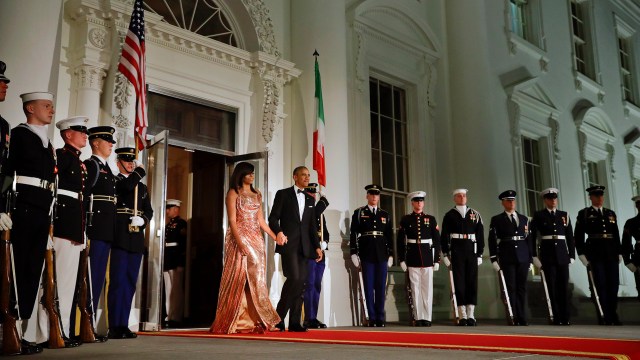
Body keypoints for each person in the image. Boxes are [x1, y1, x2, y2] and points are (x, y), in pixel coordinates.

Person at [2, 91, 57, 354]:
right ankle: (8, 328)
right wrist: (2, 206)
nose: (51, 110)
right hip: (22, 207)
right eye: (46, 106)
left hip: (41, 210)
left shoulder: (47, 141)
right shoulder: (20, 135)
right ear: (30, 108)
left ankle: (23, 331)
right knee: (17, 269)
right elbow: (5, 170)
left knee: (33, 272)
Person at [35, 117, 91, 347]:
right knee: (51, 282)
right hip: (62, 225)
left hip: (74, 226)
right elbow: (54, 191)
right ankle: (44, 333)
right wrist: (49, 224)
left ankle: (63, 331)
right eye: (81, 131)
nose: (85, 135)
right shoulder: (61, 156)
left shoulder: (78, 161)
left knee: (68, 284)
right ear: (68, 134)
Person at [210, 162, 280, 334]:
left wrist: (275, 237)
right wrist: (240, 243)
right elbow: (232, 221)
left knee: (258, 280)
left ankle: (260, 320)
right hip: (239, 237)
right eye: (249, 173)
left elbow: (261, 221)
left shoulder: (257, 194)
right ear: (241, 174)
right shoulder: (233, 193)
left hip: (256, 238)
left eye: (253, 173)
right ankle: (234, 320)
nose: (252, 176)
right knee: (238, 278)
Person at [268, 166, 323, 332]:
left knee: (302, 283)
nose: (307, 178)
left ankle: (294, 323)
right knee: (295, 279)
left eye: (308, 175)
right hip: (288, 244)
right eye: (303, 175)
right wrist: (278, 233)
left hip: (306, 246)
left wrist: (317, 247)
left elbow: (312, 226)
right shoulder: (283, 194)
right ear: (295, 177)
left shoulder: (310, 199)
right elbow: (273, 218)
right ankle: (278, 318)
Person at [108, 147, 153, 339]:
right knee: (117, 282)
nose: (130, 164)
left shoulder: (141, 187)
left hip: (135, 237)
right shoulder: (115, 180)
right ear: (118, 162)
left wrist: (143, 220)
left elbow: (149, 210)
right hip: (120, 235)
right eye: (126, 161)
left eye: (132, 162)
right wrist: (139, 173)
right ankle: (114, 325)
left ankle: (124, 323)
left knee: (129, 283)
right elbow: (125, 189)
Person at [575, 185, 622, 325]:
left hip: (611, 253)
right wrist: (581, 254)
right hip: (595, 254)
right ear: (591, 197)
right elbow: (578, 236)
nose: (600, 198)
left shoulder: (610, 213)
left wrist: (619, 252)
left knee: (613, 285)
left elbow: (616, 234)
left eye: (601, 195)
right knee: (599, 285)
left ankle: (613, 315)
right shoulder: (584, 213)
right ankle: (604, 315)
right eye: (597, 196)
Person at [84, 126, 117, 321]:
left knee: (99, 278)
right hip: (95, 229)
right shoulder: (91, 165)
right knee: (91, 276)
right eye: (107, 140)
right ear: (96, 143)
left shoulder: (107, 168)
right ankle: (85, 322)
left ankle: (93, 322)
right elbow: (86, 196)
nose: (111, 144)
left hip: (106, 230)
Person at [529, 188, 575, 325]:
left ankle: (565, 317)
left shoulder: (564, 215)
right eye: (550, 198)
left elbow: (570, 237)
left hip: (562, 254)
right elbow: (532, 237)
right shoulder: (538, 215)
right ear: (545, 200)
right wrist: (534, 256)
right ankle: (555, 317)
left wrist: (571, 255)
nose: (553, 200)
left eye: (555, 198)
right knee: (552, 287)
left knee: (563, 287)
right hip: (547, 255)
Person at [349, 184, 393, 327]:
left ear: (379, 197)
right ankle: (371, 317)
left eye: (377, 194)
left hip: (381, 254)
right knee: (368, 287)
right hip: (366, 253)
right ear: (367, 196)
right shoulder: (359, 212)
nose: (374, 197)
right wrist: (353, 252)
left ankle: (380, 317)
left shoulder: (385, 214)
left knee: (381, 287)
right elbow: (353, 233)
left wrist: (391, 254)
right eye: (372, 194)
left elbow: (389, 236)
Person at [440, 188, 484, 326]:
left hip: (471, 250)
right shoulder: (449, 215)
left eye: (464, 196)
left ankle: (471, 314)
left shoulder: (475, 214)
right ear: (454, 198)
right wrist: (445, 253)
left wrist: (480, 254)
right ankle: (462, 314)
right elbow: (444, 236)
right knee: (459, 282)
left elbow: (480, 236)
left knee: (472, 281)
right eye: (459, 196)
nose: (462, 198)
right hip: (457, 250)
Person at [488, 190, 532, 326]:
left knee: (522, 288)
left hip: (523, 256)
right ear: (503, 203)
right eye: (508, 200)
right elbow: (492, 240)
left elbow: (529, 240)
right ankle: (512, 316)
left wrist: (530, 259)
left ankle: (522, 316)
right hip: (507, 256)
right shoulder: (497, 219)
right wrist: (494, 258)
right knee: (510, 288)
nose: (511, 202)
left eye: (513, 200)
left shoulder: (524, 218)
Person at [397, 191, 441, 327]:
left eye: (421, 201)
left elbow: (437, 240)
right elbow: (400, 241)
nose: (419, 203)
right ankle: (418, 316)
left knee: (427, 289)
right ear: (412, 203)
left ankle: (427, 317)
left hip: (427, 257)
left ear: (423, 203)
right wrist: (402, 259)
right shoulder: (405, 219)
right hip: (412, 256)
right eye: (416, 201)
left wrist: (436, 259)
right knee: (415, 289)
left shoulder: (431, 219)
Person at [302, 183, 329, 329]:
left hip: (321, 252)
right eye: (310, 193)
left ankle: (313, 316)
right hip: (310, 251)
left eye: (314, 193)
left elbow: (325, 231)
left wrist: (325, 242)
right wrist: (323, 201)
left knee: (317, 285)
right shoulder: (307, 209)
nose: (312, 196)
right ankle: (309, 317)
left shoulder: (319, 214)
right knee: (310, 285)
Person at [163, 199, 187, 328]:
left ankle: (176, 316)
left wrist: (180, 262)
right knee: (168, 288)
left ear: (176, 209)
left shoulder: (181, 224)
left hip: (175, 258)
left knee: (176, 289)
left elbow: (183, 245)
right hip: (167, 258)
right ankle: (169, 315)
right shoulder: (168, 224)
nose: (167, 211)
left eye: (169, 208)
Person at [622, 195, 640, 301]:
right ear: (636, 206)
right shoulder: (631, 222)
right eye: (638, 204)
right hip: (639, 256)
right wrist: (627, 261)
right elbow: (625, 243)